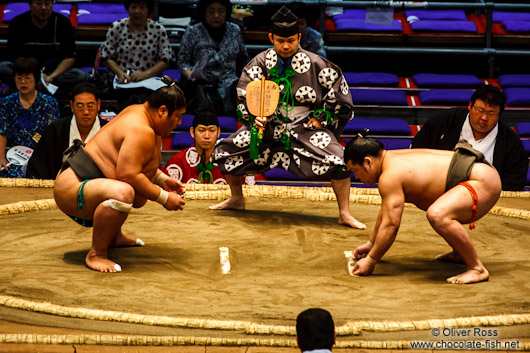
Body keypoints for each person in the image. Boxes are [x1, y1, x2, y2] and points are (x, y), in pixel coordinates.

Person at [210, 6, 366, 230]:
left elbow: (340, 98)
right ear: (271, 37)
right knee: (226, 149)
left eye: (291, 40)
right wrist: (254, 118)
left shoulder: (317, 65)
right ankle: (237, 199)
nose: (285, 46)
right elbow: (244, 95)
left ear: (299, 37)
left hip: (305, 128)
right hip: (268, 127)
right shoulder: (258, 64)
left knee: (340, 160)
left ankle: (344, 213)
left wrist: (321, 117)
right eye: (280, 40)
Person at [53, 85, 187, 273]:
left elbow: (127, 161)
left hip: (87, 180)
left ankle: (114, 237)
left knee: (126, 190)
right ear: (163, 111)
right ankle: (96, 254)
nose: (179, 122)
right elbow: (128, 174)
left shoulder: (139, 111)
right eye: (178, 116)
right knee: (124, 192)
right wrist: (164, 197)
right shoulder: (141, 129)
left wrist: (161, 179)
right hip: (74, 186)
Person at [345, 132, 502, 284]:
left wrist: (371, 260)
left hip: (481, 181)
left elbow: (391, 224)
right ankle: (460, 253)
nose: (357, 177)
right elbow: (386, 213)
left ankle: (477, 268)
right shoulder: (391, 159)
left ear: (367, 162)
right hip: (477, 173)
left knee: (438, 214)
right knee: (441, 209)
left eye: (355, 171)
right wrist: (371, 244)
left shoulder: (389, 176)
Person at [411, 85, 528, 191]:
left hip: (486, 202)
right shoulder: (443, 121)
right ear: (470, 105)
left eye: (491, 114)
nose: (484, 118)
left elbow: (514, 183)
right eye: (480, 110)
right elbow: (417, 153)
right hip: (435, 191)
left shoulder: (511, 143)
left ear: (499, 115)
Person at [100, 0, 176, 110]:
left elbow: (166, 59)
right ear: (128, 8)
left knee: (145, 98)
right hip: (124, 81)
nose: (137, 11)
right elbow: (106, 57)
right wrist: (120, 73)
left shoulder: (158, 29)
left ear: (148, 10)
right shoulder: (117, 27)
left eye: (142, 7)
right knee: (126, 99)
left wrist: (146, 74)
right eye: (133, 7)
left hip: (149, 81)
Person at [177, 0, 250, 115]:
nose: (216, 16)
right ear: (203, 12)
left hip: (230, 85)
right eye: (211, 12)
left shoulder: (234, 30)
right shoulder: (192, 31)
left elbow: (243, 61)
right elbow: (182, 63)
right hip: (201, 84)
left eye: (221, 11)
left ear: (227, 12)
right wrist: (191, 75)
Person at [0, 0, 87, 94]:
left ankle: (26, 89)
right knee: (3, 67)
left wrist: (51, 77)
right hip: (26, 71)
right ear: (30, 4)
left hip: (53, 73)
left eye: (47, 4)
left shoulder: (63, 22)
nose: (43, 8)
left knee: (79, 75)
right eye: (39, 4)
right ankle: (48, 91)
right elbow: (14, 57)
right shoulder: (17, 23)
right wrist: (33, 76)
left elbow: (70, 57)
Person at [26, 82, 108, 179]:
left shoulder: (109, 130)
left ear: (98, 105)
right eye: (80, 106)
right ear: (72, 106)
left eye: (90, 106)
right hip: (60, 187)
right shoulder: (55, 130)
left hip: (99, 188)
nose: (86, 112)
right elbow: (39, 166)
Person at [0, 57, 60, 178]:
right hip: (13, 156)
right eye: (19, 77)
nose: (23, 82)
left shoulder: (49, 103)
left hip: (40, 157)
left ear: (36, 79)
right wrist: (1, 157)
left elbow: (53, 135)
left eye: (27, 78)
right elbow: (2, 132)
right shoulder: (6, 103)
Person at [161, 110, 227, 184]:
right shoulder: (178, 162)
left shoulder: (227, 162)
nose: (207, 136)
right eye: (201, 130)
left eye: (212, 130)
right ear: (192, 132)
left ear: (218, 132)